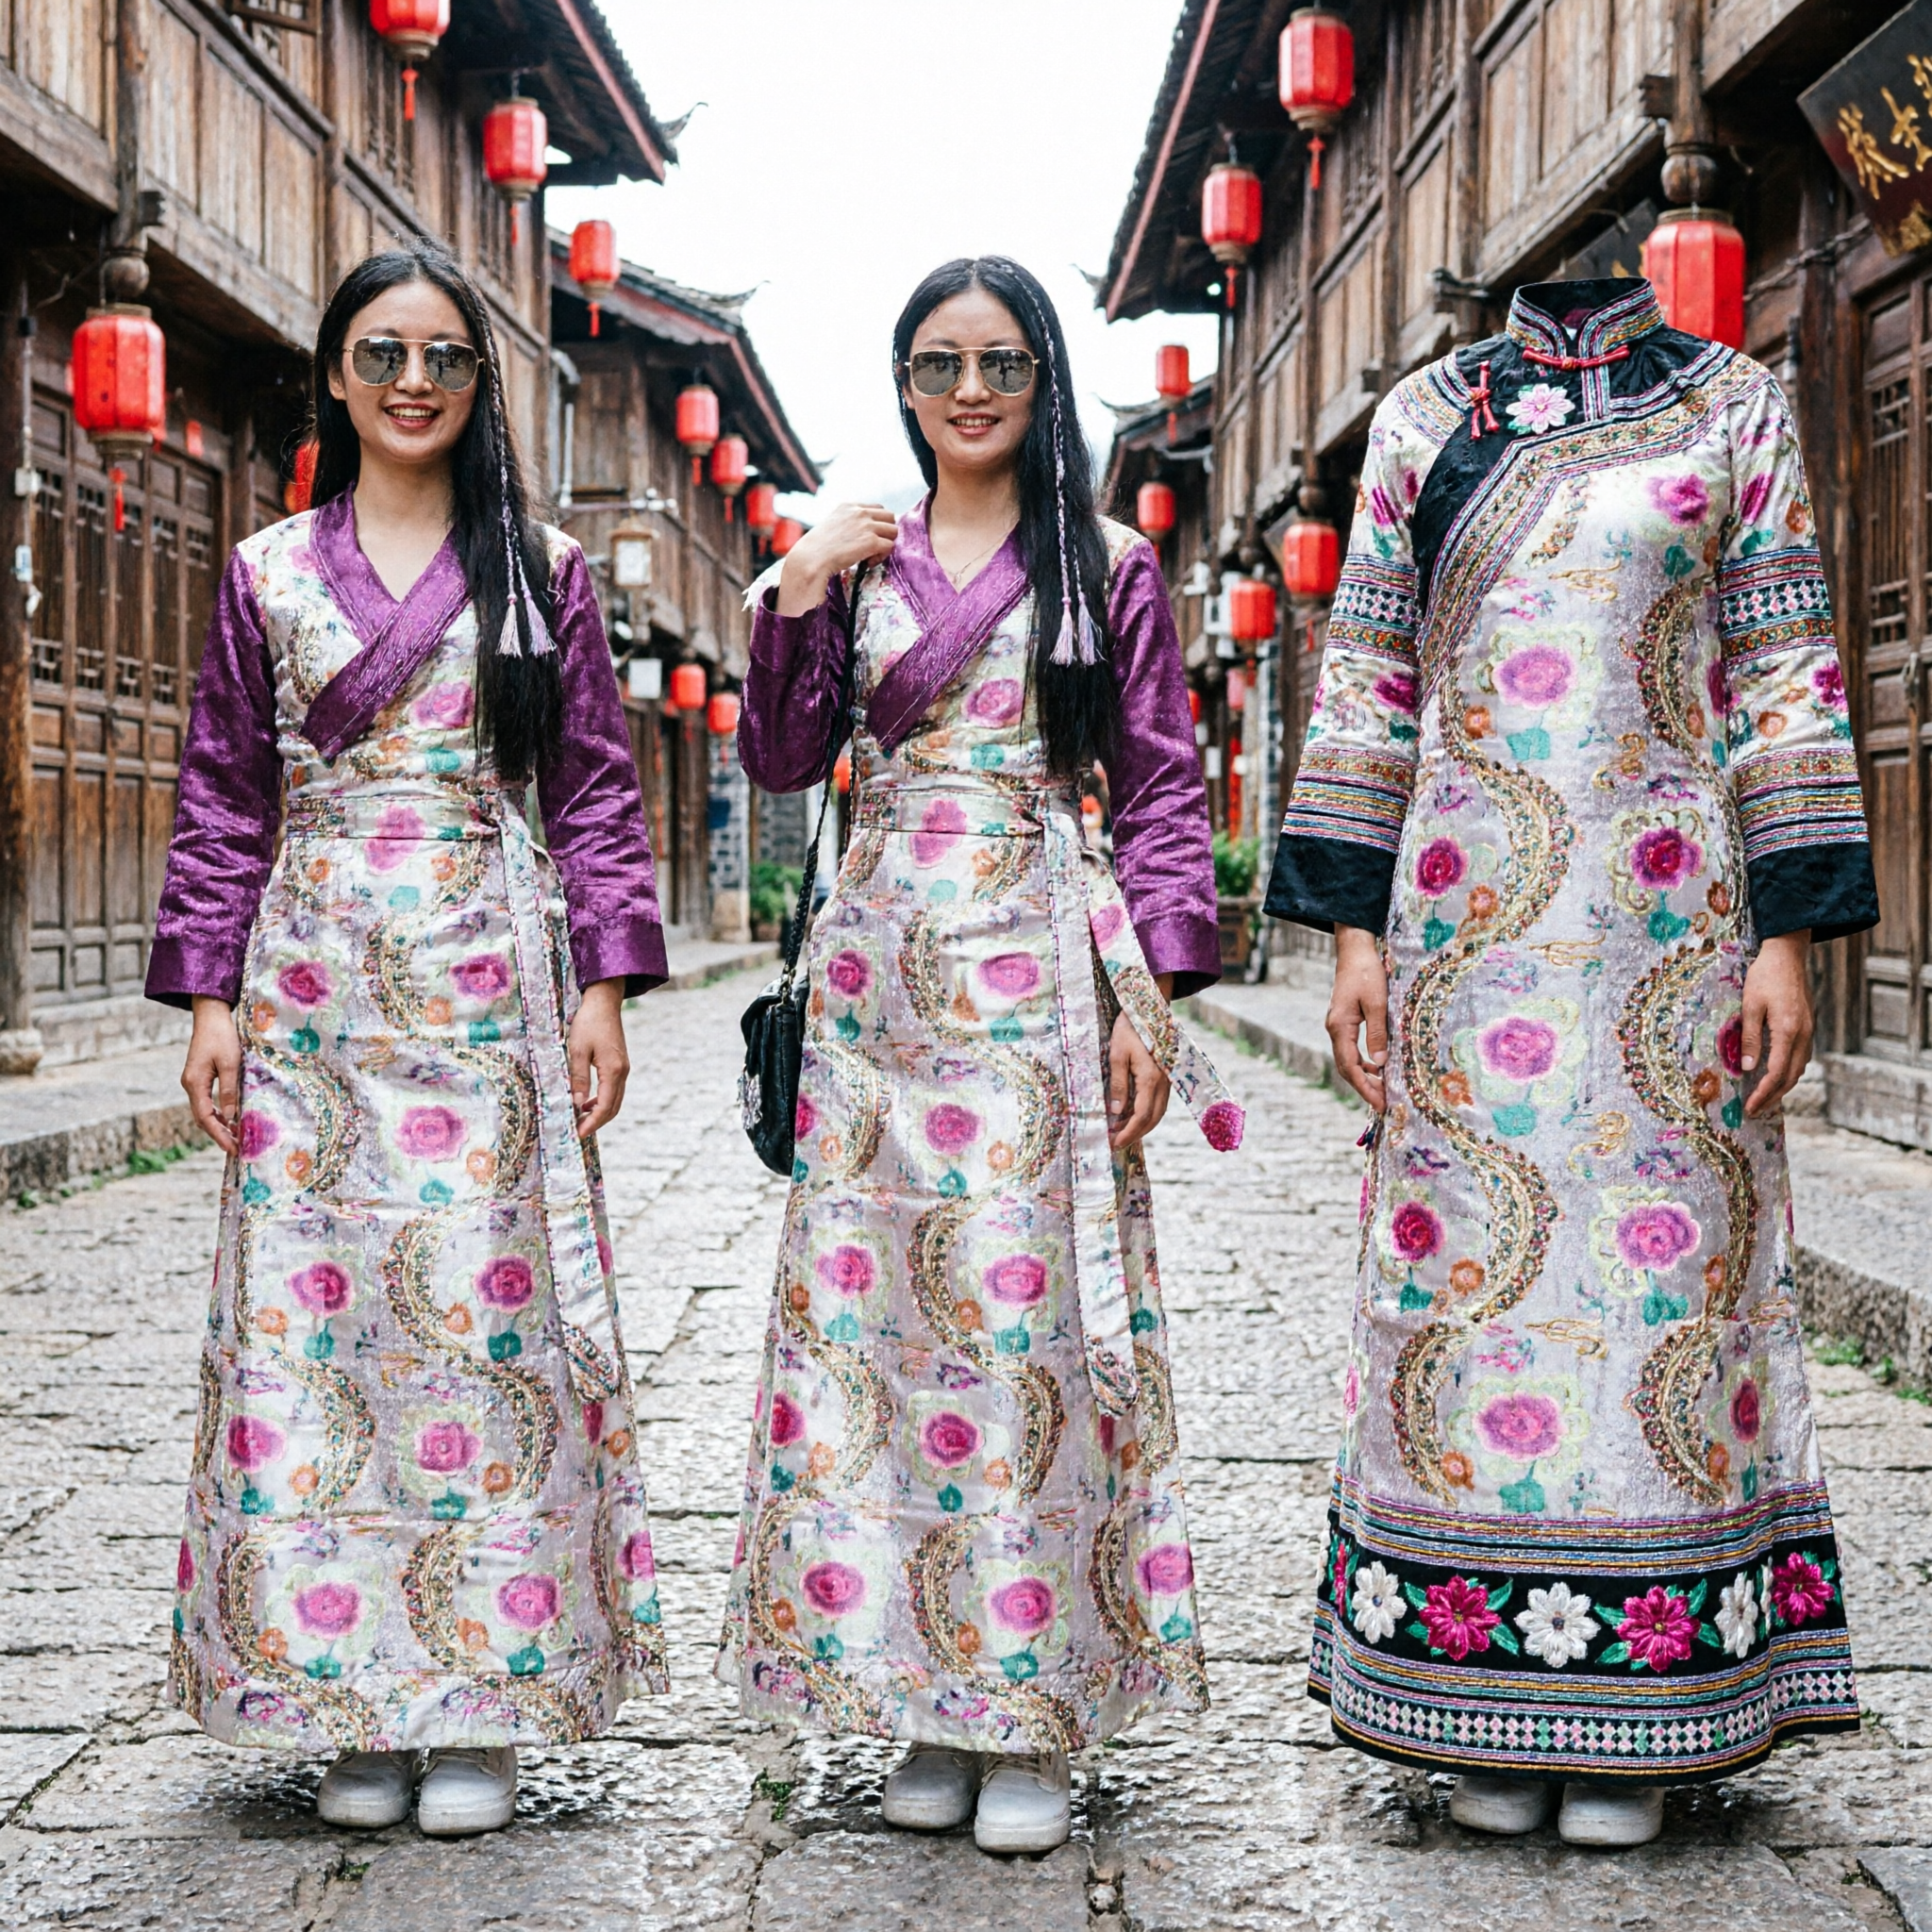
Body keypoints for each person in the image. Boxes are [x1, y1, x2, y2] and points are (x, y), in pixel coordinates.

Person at [1267, 275, 1875, 1847]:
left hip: (1676, 928)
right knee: (1471, 1293)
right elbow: (1367, 685)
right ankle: (1472, 1685)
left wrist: (1789, 936)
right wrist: (1351, 934)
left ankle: (1647, 1709)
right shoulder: (1426, 419)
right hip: (1466, 933)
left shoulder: (1729, 408)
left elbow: (1789, 672)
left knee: (1659, 1297)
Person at [716, 257, 1243, 1855]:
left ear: (1043, 380)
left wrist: (1156, 992)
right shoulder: (853, 563)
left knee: (1022, 1322)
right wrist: (795, 593)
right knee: (881, 1340)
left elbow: (1155, 784)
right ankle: (909, 1693)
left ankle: (1029, 1702)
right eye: (938, 364)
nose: (968, 393)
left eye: (1000, 364)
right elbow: (789, 758)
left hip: (1034, 965)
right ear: (902, 380)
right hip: (880, 980)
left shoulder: (1107, 567)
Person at [147, 242, 669, 1837]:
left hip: (481, 980)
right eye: (384, 355)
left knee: (479, 1321)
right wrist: (214, 996)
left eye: (445, 357)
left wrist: (599, 980)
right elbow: (228, 794)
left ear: (478, 382)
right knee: (321, 1330)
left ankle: (482, 1697)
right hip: (313, 989)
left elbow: (587, 787)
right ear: (338, 372)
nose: (416, 384)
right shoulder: (267, 573)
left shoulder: (545, 576)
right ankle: (342, 1693)